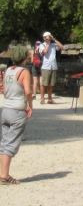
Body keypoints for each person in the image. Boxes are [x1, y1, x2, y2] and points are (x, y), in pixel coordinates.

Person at [1, 44, 34, 185]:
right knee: (11, 144)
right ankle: (4, 176)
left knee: (3, 143)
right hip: (17, 111)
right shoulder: (24, 72)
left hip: (5, 110)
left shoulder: (8, 70)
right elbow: (27, 91)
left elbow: (4, 89)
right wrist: (30, 105)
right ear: (23, 57)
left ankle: (2, 173)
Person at [38, 31, 63, 104]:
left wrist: (54, 39)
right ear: (44, 38)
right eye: (46, 37)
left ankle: (50, 99)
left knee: (51, 84)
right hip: (46, 67)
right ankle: (42, 98)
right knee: (44, 84)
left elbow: (62, 47)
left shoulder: (53, 44)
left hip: (53, 66)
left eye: (49, 37)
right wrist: (48, 43)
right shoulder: (42, 45)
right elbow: (44, 52)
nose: (48, 38)